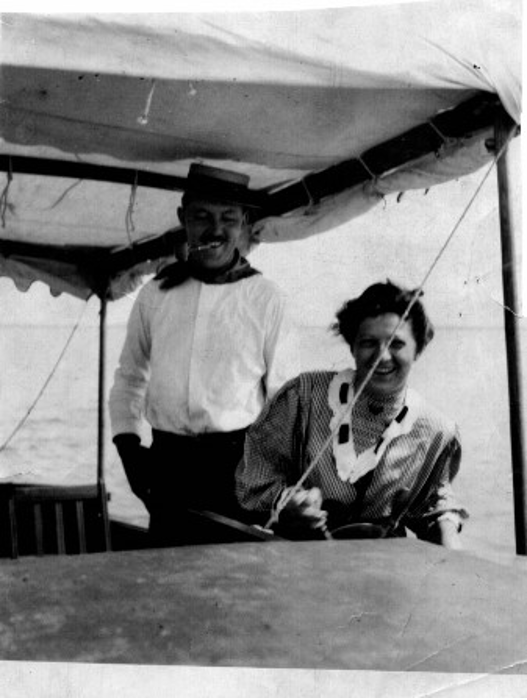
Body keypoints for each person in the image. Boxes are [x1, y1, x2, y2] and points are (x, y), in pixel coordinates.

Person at [109, 163, 297, 546]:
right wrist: (129, 451)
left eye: (228, 218)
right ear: (183, 219)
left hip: (236, 470)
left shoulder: (268, 299)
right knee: (168, 573)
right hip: (167, 467)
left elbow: (285, 402)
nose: (215, 230)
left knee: (233, 577)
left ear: (244, 222)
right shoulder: (154, 295)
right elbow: (129, 378)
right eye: (202, 217)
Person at [235, 281, 468, 549]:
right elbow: (254, 482)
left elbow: (434, 506)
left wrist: (447, 531)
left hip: (383, 565)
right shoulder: (302, 396)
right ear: (352, 346)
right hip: (299, 556)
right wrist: (287, 503)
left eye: (397, 344)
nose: (382, 356)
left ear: (418, 349)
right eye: (368, 343)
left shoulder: (437, 430)